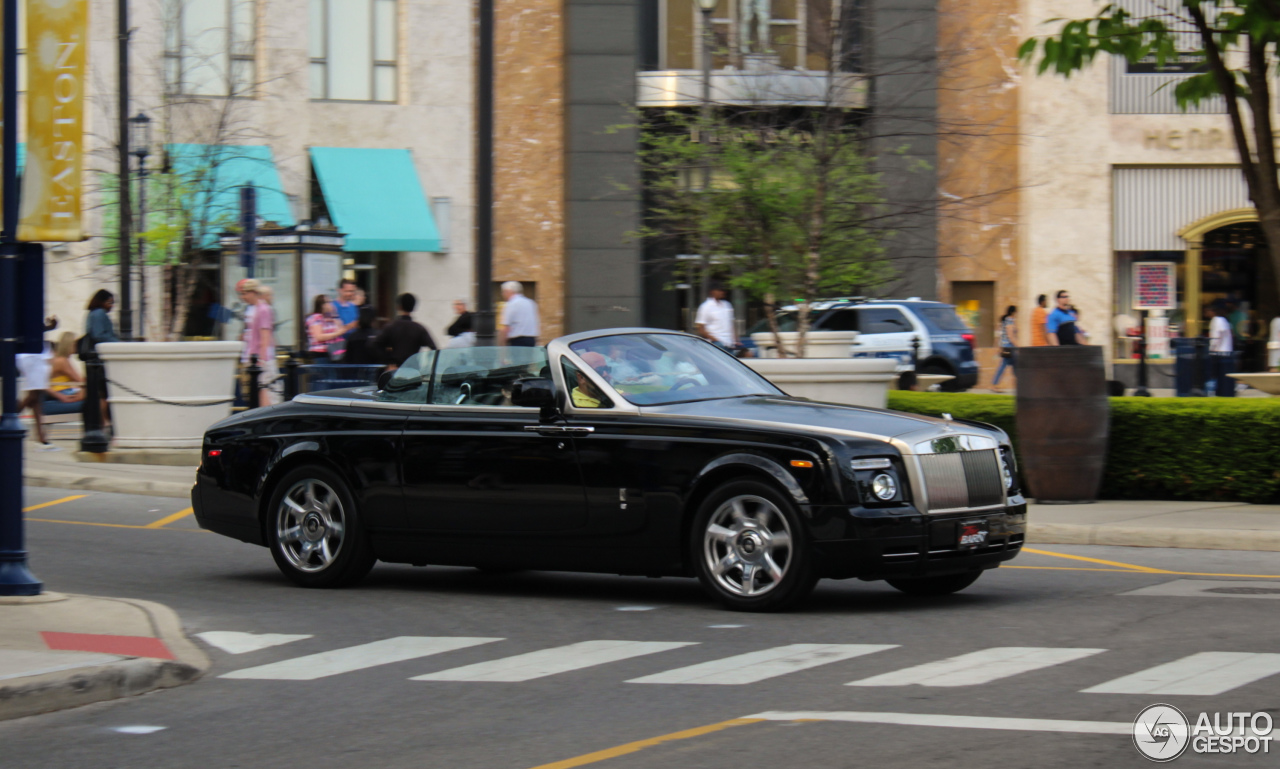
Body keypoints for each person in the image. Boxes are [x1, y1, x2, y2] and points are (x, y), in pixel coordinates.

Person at [372, 293, 436, 367]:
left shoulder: (391, 326)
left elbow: (374, 345)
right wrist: (427, 366)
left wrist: (387, 361)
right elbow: (434, 348)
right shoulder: (419, 328)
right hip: (413, 370)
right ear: (413, 307)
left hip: (395, 369)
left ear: (399, 307)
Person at [244, 282, 277, 406]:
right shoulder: (257, 309)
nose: (244, 297)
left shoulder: (263, 309)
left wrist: (261, 360)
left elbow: (265, 337)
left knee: (265, 391)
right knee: (260, 391)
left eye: (245, 293)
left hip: (262, 359)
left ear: (253, 293)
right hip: (256, 357)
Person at [695, 284, 739, 351]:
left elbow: (731, 324)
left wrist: (736, 340)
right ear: (712, 292)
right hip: (716, 344)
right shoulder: (706, 306)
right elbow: (700, 328)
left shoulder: (727, 305)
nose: (722, 292)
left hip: (730, 343)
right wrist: (715, 340)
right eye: (719, 290)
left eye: (723, 290)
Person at [305, 295, 346, 362]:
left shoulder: (330, 317)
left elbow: (340, 328)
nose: (331, 304)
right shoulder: (315, 318)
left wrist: (334, 312)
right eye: (328, 302)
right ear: (322, 305)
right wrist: (337, 333)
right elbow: (319, 337)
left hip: (333, 352)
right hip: (320, 353)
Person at [499, 281, 539, 347]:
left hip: (517, 341)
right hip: (531, 339)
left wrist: (501, 344)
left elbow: (506, 327)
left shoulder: (511, 304)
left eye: (504, 292)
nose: (503, 294)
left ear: (509, 291)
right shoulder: (531, 303)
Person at [1208, 304, 1236, 397]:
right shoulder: (1224, 321)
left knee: (1214, 374)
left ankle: (1213, 391)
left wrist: (1211, 349)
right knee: (1223, 375)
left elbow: (1217, 337)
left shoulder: (1216, 320)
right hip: (1226, 352)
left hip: (1218, 352)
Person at [992, 305, 1017, 388]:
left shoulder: (1005, 320)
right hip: (1009, 346)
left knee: (1013, 365)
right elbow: (1010, 336)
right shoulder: (1009, 321)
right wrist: (1018, 346)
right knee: (1007, 366)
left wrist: (999, 346)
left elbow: (1000, 334)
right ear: (1013, 312)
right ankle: (995, 385)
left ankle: (1017, 385)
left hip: (1006, 346)